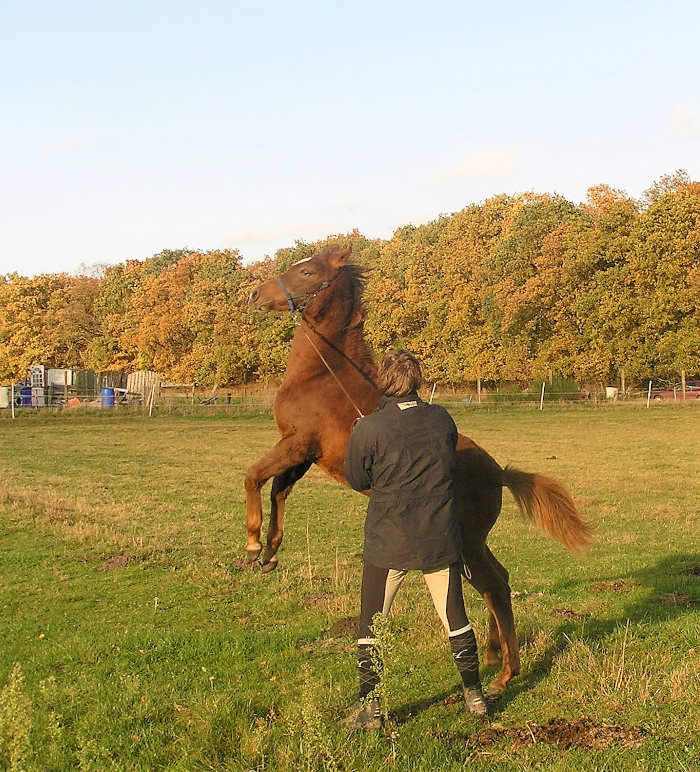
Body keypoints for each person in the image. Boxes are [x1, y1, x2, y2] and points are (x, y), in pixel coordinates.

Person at [342, 350, 487, 730]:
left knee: (372, 625)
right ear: (417, 381)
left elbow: (357, 480)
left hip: (389, 541)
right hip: (438, 536)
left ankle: (371, 711)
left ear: (385, 382)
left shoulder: (369, 428)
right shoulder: (441, 418)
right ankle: (475, 696)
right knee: (455, 617)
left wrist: (366, 437)